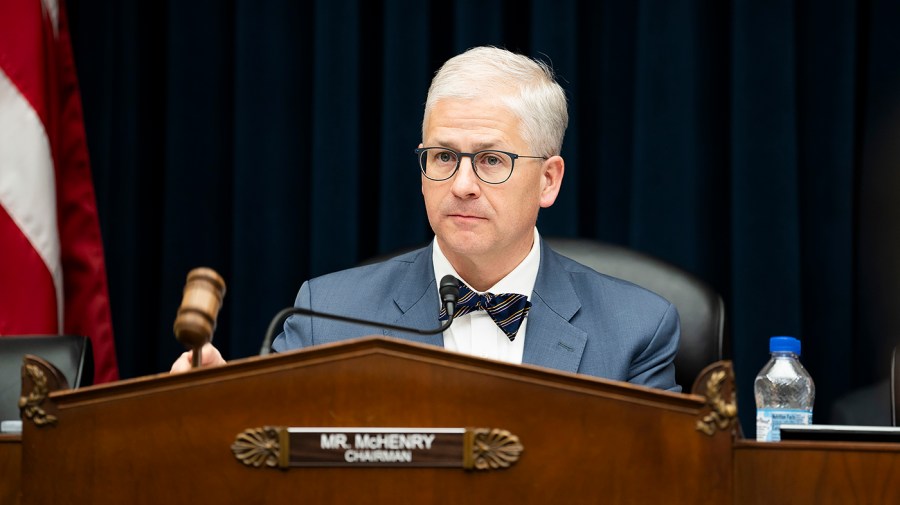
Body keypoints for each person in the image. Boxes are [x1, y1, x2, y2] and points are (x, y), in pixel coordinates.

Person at [172, 46, 681, 392]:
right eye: (443, 157)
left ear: (548, 180)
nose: (461, 184)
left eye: (491, 160)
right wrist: (223, 410)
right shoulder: (324, 316)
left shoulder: (635, 330)